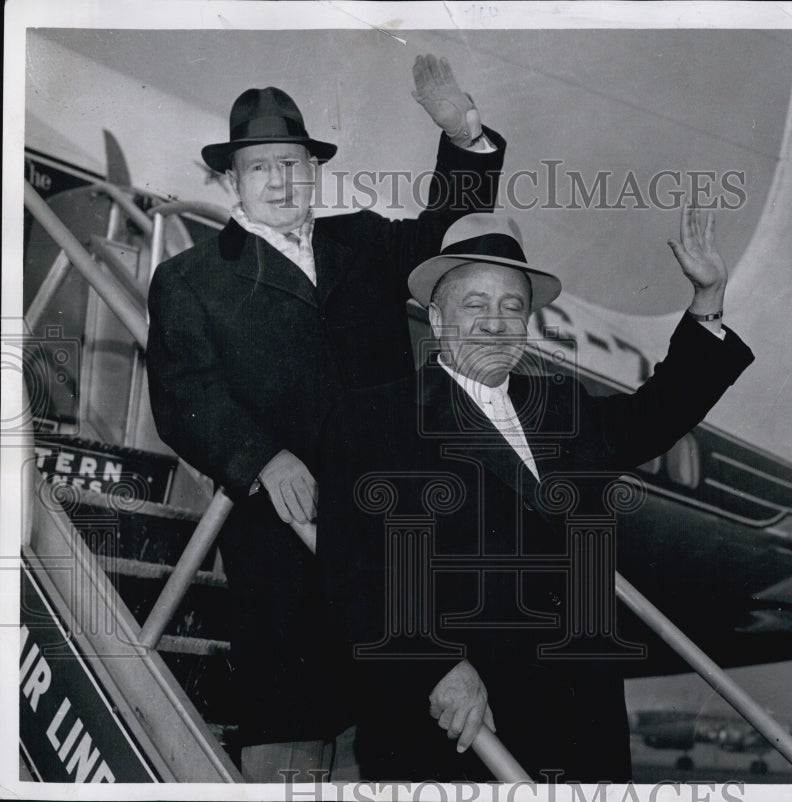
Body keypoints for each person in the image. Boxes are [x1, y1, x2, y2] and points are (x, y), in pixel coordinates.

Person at [145, 56, 505, 781]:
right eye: (260, 168)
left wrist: (463, 135)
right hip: (285, 548)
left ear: (313, 172)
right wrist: (262, 458)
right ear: (231, 181)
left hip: (388, 540)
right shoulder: (190, 280)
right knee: (293, 737)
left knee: (401, 738)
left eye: (293, 164)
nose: (280, 182)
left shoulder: (365, 243)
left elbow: (446, 227)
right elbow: (185, 396)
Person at [318, 208, 755, 781]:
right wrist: (435, 667)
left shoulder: (562, 406)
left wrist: (708, 297)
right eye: (475, 305)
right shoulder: (371, 419)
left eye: (512, 307)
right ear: (436, 317)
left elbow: (659, 413)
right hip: (459, 723)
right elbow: (352, 577)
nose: (496, 324)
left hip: (580, 719)